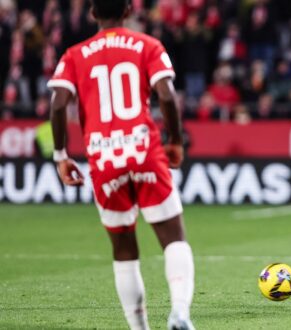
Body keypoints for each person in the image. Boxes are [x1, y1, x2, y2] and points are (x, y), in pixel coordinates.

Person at [47, 1, 195, 329]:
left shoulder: (74, 55)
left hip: (104, 159)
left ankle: (139, 327)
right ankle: (180, 313)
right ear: (128, 10)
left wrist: (60, 155)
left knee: (124, 248)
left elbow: (57, 105)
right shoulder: (147, 45)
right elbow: (167, 96)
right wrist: (174, 141)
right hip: (144, 151)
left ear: (91, 13)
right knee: (173, 237)